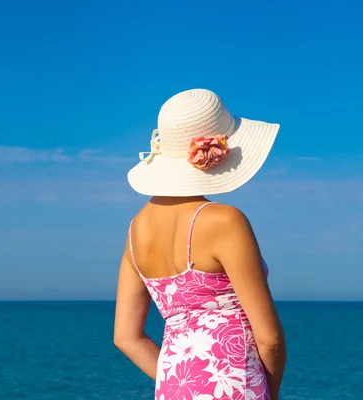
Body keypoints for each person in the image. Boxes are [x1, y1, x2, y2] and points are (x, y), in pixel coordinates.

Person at [113, 88, 287, 400]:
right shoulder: (225, 221)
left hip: (174, 389)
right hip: (237, 387)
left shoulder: (134, 232)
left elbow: (126, 337)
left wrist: (188, 381)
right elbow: (270, 339)